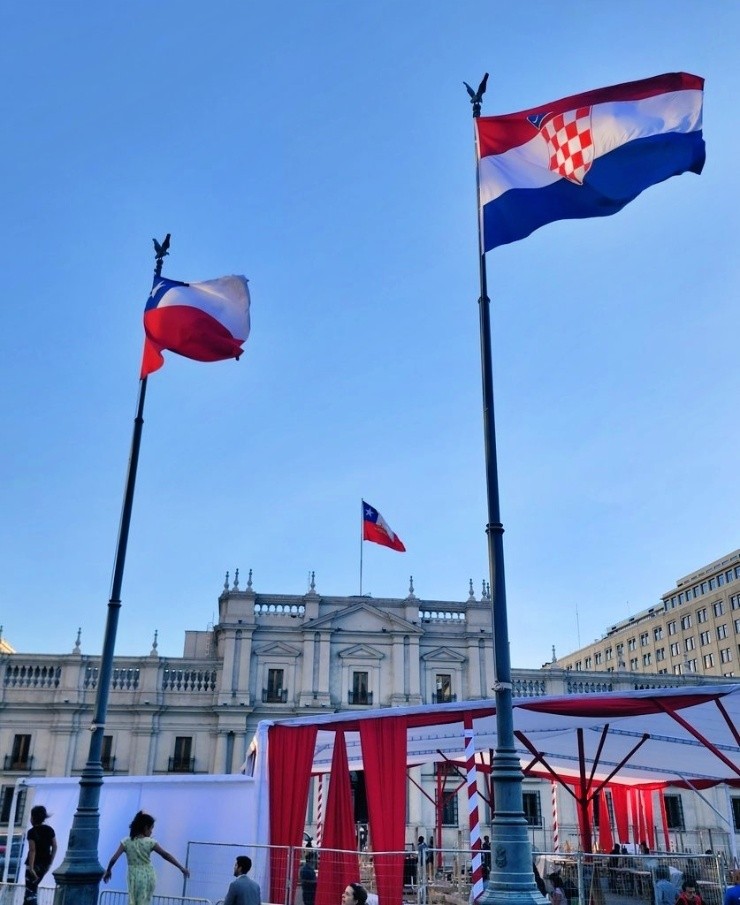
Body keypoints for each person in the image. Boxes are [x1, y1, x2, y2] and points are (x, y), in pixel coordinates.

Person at [102, 810, 190, 905]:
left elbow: (114, 858)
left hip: (132, 875)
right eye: (151, 828)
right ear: (145, 828)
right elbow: (165, 855)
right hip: (148, 874)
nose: (151, 831)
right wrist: (181, 868)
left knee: (133, 900)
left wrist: (109, 870)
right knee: (144, 901)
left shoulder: (126, 842)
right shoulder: (150, 842)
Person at [24, 805, 57, 905]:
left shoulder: (31, 832)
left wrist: (31, 868)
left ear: (33, 818)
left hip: (33, 865)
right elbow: (55, 846)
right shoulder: (49, 830)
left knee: (30, 891)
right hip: (44, 865)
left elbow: (32, 850)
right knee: (33, 889)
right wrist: (50, 863)